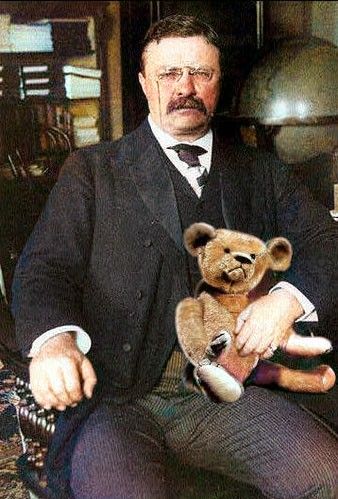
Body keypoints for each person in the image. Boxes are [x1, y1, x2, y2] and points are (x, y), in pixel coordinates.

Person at [12, 14, 337, 499]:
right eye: (169, 74)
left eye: (201, 73)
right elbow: (44, 269)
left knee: (325, 476)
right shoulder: (93, 172)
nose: (186, 87)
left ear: (218, 81)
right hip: (116, 398)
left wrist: (285, 301)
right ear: (144, 83)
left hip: (222, 393)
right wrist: (55, 343)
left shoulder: (259, 171)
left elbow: (326, 241)